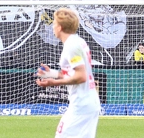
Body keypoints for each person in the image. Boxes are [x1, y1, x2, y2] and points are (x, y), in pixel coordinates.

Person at [36, 8, 100, 138]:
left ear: (59, 27)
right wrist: (52, 73)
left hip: (81, 104)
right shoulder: (78, 41)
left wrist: (55, 82)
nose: (53, 26)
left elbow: (81, 76)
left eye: (54, 23)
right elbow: (75, 73)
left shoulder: (71, 45)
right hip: (87, 102)